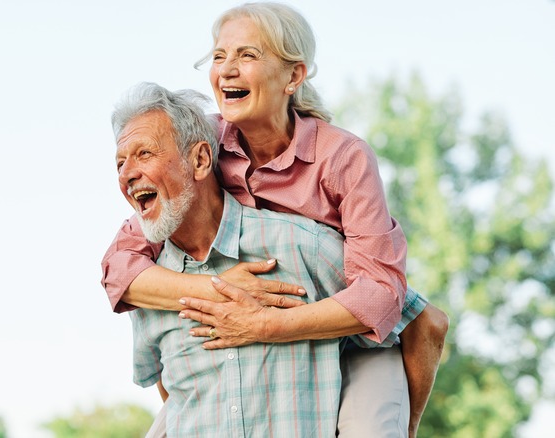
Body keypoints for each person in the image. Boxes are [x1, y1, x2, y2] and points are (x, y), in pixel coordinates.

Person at [102, 2, 448, 436]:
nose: (226, 70)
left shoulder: (341, 157)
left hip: (349, 331)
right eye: (219, 56)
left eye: (247, 55)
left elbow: (380, 296)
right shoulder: (201, 144)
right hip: (252, 338)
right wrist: (220, 290)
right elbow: (120, 266)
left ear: (294, 76)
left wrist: (263, 325)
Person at [115, 81, 369, 436]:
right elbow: (171, 393)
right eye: (120, 162)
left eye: (144, 154)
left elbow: (408, 319)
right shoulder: (147, 290)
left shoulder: (302, 246)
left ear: (200, 160)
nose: (127, 174)